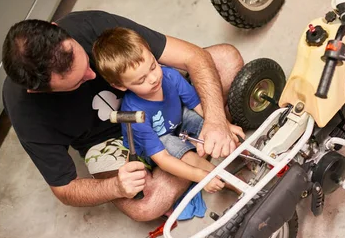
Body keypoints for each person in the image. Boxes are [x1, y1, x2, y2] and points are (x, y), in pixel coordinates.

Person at [1, 10, 244, 221]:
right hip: (111, 141)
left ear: (57, 30)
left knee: (226, 59)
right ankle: (193, 150)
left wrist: (214, 120)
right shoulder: (25, 110)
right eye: (76, 83)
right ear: (37, 90)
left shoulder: (88, 25)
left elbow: (193, 56)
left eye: (86, 61)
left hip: (159, 101)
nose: (92, 75)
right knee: (145, 206)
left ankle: (192, 149)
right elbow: (65, 189)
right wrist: (116, 186)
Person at [92, 27, 244, 194]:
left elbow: (197, 105)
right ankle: (228, 181)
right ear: (120, 86)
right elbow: (163, 159)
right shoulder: (134, 115)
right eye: (141, 79)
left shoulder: (169, 75)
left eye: (152, 66)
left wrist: (223, 125)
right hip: (158, 142)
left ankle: (249, 155)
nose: (153, 78)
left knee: (205, 122)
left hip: (177, 119)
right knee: (173, 147)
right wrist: (201, 177)